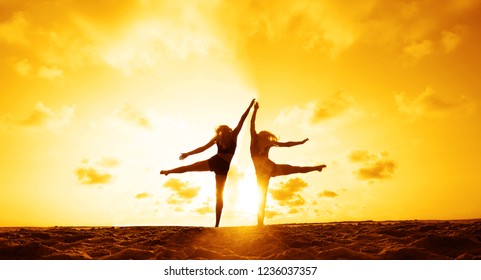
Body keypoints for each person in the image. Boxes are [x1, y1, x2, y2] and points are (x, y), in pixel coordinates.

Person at [161, 99, 256, 227]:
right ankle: (217, 224)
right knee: (218, 194)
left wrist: (188, 154)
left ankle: (169, 171)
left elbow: (242, 119)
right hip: (221, 165)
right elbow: (242, 119)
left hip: (217, 163)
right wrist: (251, 107)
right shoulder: (231, 135)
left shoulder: (227, 136)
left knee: (195, 173)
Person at [250, 101, 326, 226]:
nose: (265, 140)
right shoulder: (254, 139)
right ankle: (260, 223)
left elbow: (286, 144)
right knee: (262, 197)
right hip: (265, 173)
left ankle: (316, 168)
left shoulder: (266, 144)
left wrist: (300, 143)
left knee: (294, 169)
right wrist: (255, 110)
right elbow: (252, 124)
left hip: (269, 170)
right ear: (260, 137)